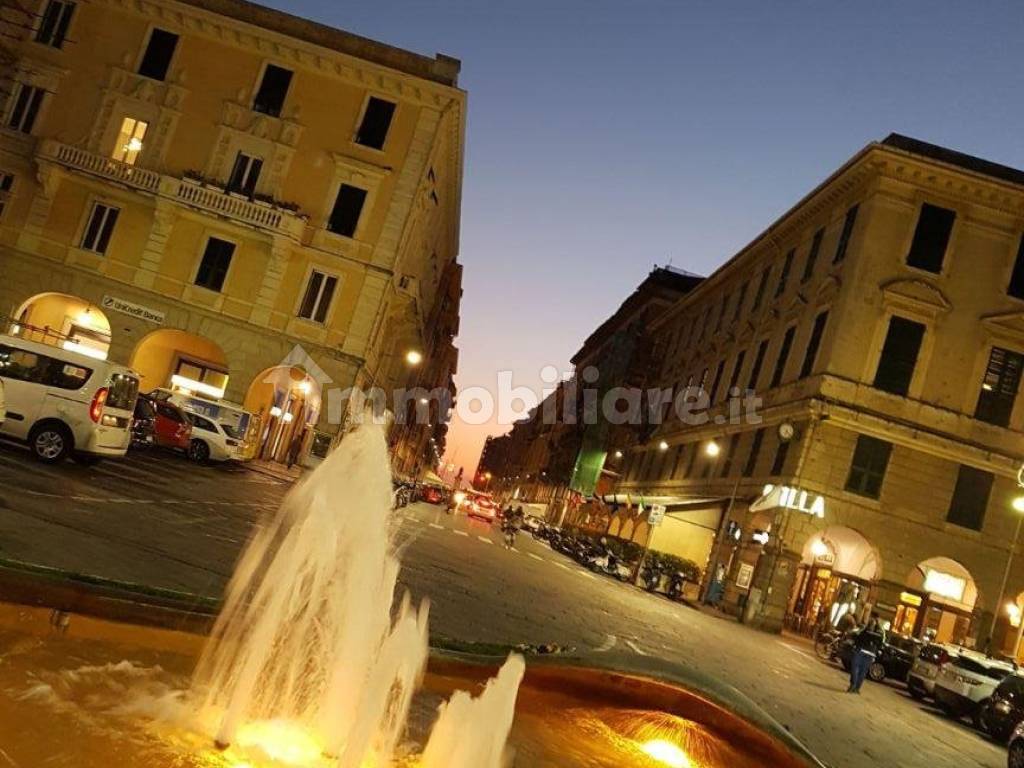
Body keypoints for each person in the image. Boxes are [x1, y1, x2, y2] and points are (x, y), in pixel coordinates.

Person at [847, 612, 886, 693]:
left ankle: (853, 685)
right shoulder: (880, 632)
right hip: (871, 653)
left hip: (861, 650)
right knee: (863, 671)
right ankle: (857, 688)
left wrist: (854, 643)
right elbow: (881, 643)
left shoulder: (865, 628)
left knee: (855, 667)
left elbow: (858, 635)